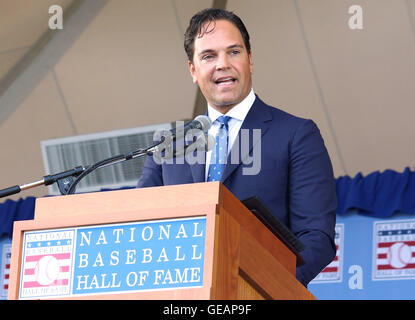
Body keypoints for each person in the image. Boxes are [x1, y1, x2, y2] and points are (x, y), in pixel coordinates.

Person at [138, 8, 337, 287]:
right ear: (193, 70)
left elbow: (316, 238)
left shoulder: (296, 134)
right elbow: (138, 228)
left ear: (250, 60)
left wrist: (266, 285)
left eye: (234, 52)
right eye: (209, 56)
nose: (223, 64)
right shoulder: (170, 145)